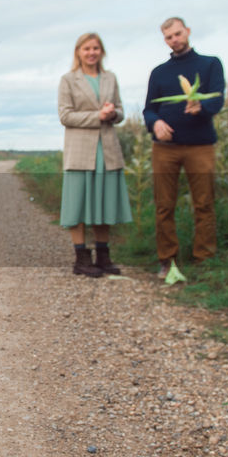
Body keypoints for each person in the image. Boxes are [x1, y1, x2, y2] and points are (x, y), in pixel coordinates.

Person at [141, 17, 226, 277]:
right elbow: (149, 110)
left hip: (200, 146)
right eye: (169, 37)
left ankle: (204, 259)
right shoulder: (159, 72)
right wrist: (155, 124)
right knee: (164, 205)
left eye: (178, 34)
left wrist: (201, 107)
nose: (174, 40)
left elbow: (218, 98)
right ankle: (167, 260)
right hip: (165, 149)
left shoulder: (210, 64)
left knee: (204, 203)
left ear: (187, 32)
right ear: (164, 40)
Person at [57, 32, 133, 277]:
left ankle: (103, 256)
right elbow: (65, 116)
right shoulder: (68, 80)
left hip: (107, 150)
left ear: (102, 51)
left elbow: (120, 112)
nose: (91, 52)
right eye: (87, 48)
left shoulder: (110, 78)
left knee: (104, 203)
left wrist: (113, 114)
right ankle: (81, 258)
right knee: (77, 206)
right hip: (80, 151)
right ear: (78, 52)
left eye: (96, 48)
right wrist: (97, 116)